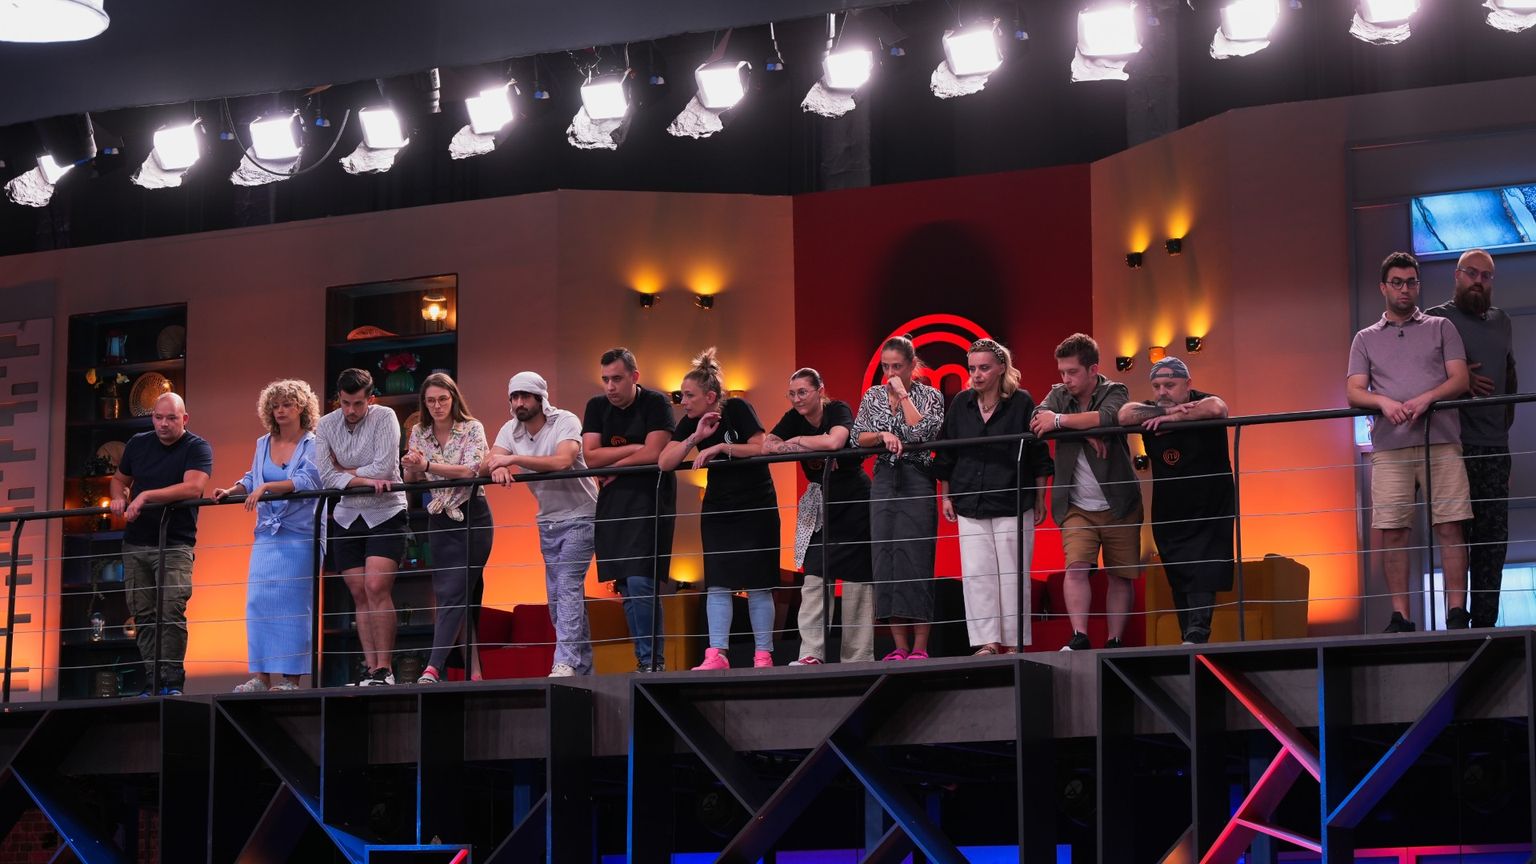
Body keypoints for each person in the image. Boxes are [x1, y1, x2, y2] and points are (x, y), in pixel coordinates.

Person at [1348, 251, 1473, 632]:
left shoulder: (1441, 327)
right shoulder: (1365, 338)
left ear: (1418, 285)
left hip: (1442, 441)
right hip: (1390, 447)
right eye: (1397, 283)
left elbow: (1460, 379)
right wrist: (1383, 402)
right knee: (1393, 531)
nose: (1405, 289)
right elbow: (1354, 391)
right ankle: (1401, 616)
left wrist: (1427, 398)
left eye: (1411, 282)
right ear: (1383, 287)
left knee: (1450, 526)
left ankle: (1456, 612)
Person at [659, 348, 780, 670]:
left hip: (756, 502)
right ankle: (716, 654)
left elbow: (760, 447)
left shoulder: (737, 407)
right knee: (717, 581)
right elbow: (665, 462)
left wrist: (721, 447)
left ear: (710, 396)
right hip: (718, 507)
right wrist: (695, 438)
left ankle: (763, 655)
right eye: (682, 395)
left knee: (758, 582)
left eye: (689, 395)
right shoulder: (691, 421)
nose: (684, 402)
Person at [936, 339, 1052, 656]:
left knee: (1013, 575)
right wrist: (946, 496)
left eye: (984, 368)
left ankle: (1014, 643)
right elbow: (946, 453)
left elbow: (1038, 454)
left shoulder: (1022, 401)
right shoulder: (961, 403)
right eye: (972, 368)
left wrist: (1040, 497)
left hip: (1012, 497)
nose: (976, 374)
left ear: (1002, 367)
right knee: (976, 574)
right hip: (969, 499)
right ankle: (987, 642)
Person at [1029, 333, 1142, 652]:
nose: (1066, 379)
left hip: (1119, 502)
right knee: (1076, 566)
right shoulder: (1058, 393)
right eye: (1062, 372)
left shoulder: (1115, 390)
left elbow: (1110, 417)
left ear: (1093, 369)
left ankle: (1115, 640)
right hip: (1075, 505)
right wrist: (1083, 433)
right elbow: (1036, 421)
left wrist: (1061, 422)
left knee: (1120, 574)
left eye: (1072, 372)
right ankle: (1079, 635)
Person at [483, 371, 599, 677]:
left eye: (525, 396)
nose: (519, 403)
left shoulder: (565, 421)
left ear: (540, 399)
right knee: (557, 599)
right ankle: (584, 670)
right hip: (548, 522)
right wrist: (497, 466)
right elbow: (490, 460)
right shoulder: (510, 429)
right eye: (514, 397)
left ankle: (565, 662)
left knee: (568, 586)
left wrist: (512, 460)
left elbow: (563, 460)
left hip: (581, 515)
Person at [1427, 248, 1518, 628]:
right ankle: (1456, 622)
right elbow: (1417, 374)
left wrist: (1503, 425)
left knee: (1493, 541)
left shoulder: (1502, 321)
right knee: (1455, 535)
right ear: (1457, 275)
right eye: (1472, 273)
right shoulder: (1435, 320)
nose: (1478, 281)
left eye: (1486, 276)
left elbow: (1510, 373)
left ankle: (1484, 627)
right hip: (1454, 445)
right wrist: (1460, 379)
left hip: (1495, 446)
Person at [212, 380, 323, 692]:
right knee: (258, 602)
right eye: (275, 406)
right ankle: (261, 677)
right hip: (267, 534)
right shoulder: (263, 443)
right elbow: (252, 478)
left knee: (293, 607)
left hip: (299, 534)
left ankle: (291, 679)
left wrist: (267, 488)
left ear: (301, 407)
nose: (281, 411)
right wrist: (232, 490)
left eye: (287, 404)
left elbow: (308, 480)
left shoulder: (312, 444)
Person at [1118, 357, 1233, 644]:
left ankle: (1198, 631)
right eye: (1157, 386)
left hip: (1210, 503)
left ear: (1188, 384)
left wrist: (1173, 419)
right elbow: (1125, 414)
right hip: (1171, 505)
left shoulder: (1202, 402)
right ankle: (1189, 636)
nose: (1162, 391)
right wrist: (1164, 412)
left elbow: (1218, 408)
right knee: (1177, 567)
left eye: (1170, 385)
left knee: (1204, 565)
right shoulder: (1151, 408)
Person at [765, 368, 875, 666]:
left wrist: (798, 441)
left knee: (857, 582)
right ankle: (811, 654)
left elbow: (835, 442)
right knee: (814, 577)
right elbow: (768, 444)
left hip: (853, 501)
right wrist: (805, 443)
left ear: (820, 391)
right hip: (821, 505)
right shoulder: (793, 417)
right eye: (792, 394)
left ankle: (858, 658)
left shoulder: (837, 409)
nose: (797, 399)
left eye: (803, 392)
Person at [109, 392, 212, 696]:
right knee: (143, 615)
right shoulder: (138, 443)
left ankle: (172, 681)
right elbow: (119, 479)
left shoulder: (197, 447)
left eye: (171, 418)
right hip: (136, 542)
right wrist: (118, 497)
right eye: (158, 417)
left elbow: (193, 487)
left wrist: (145, 496)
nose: (163, 424)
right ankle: (153, 680)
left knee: (171, 612)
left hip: (175, 543)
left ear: (185, 419)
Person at [582, 348, 677, 672]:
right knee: (624, 585)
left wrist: (617, 466)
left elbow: (655, 452)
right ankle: (644, 660)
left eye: (617, 379)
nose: (610, 386)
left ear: (634, 377)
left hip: (649, 501)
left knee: (641, 581)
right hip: (612, 504)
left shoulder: (656, 402)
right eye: (605, 379)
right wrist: (636, 448)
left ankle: (653, 662)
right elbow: (590, 457)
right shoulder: (596, 406)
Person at [852, 335, 945, 661]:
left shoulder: (930, 395)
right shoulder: (873, 396)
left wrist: (903, 395)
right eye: (886, 366)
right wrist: (882, 434)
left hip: (917, 478)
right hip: (883, 479)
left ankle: (920, 646)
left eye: (897, 366)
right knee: (885, 556)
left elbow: (922, 433)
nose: (890, 373)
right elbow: (858, 437)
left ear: (911, 365)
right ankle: (899, 646)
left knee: (916, 556)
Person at [313, 368, 408, 686]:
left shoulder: (386, 417)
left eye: (357, 403)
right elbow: (326, 476)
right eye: (345, 403)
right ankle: (371, 670)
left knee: (376, 586)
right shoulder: (326, 425)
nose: (351, 410)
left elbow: (385, 467)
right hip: (347, 516)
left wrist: (346, 471)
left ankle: (385, 670)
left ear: (371, 399)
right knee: (358, 592)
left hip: (386, 513)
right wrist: (363, 479)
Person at [402, 372, 493, 684]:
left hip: (472, 516)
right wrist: (410, 467)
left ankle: (433, 667)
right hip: (439, 518)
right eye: (431, 401)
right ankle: (475, 673)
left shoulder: (472, 427)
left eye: (442, 399)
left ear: (453, 399)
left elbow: (470, 471)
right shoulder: (419, 431)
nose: (437, 406)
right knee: (452, 595)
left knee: (454, 591)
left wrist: (426, 466)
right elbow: (412, 480)